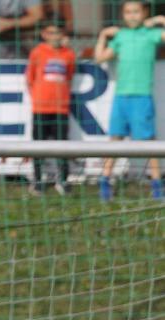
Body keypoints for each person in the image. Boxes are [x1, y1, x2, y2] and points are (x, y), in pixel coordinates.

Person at [94, 1, 165, 201]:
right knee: (115, 139)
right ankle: (105, 181)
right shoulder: (121, 37)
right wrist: (102, 36)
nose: (132, 16)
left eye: (136, 12)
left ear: (144, 13)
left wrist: (161, 20)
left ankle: (156, 183)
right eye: (128, 12)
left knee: (149, 142)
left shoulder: (151, 35)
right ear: (123, 15)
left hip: (142, 96)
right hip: (121, 97)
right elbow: (100, 58)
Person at [26, 19, 75, 196]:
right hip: (40, 109)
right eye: (51, 33)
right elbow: (30, 78)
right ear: (44, 34)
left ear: (63, 35)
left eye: (58, 33)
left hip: (61, 108)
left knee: (62, 147)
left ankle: (62, 180)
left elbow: (69, 76)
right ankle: (38, 180)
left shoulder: (68, 54)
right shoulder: (37, 52)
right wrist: (39, 98)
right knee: (38, 147)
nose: (55, 37)